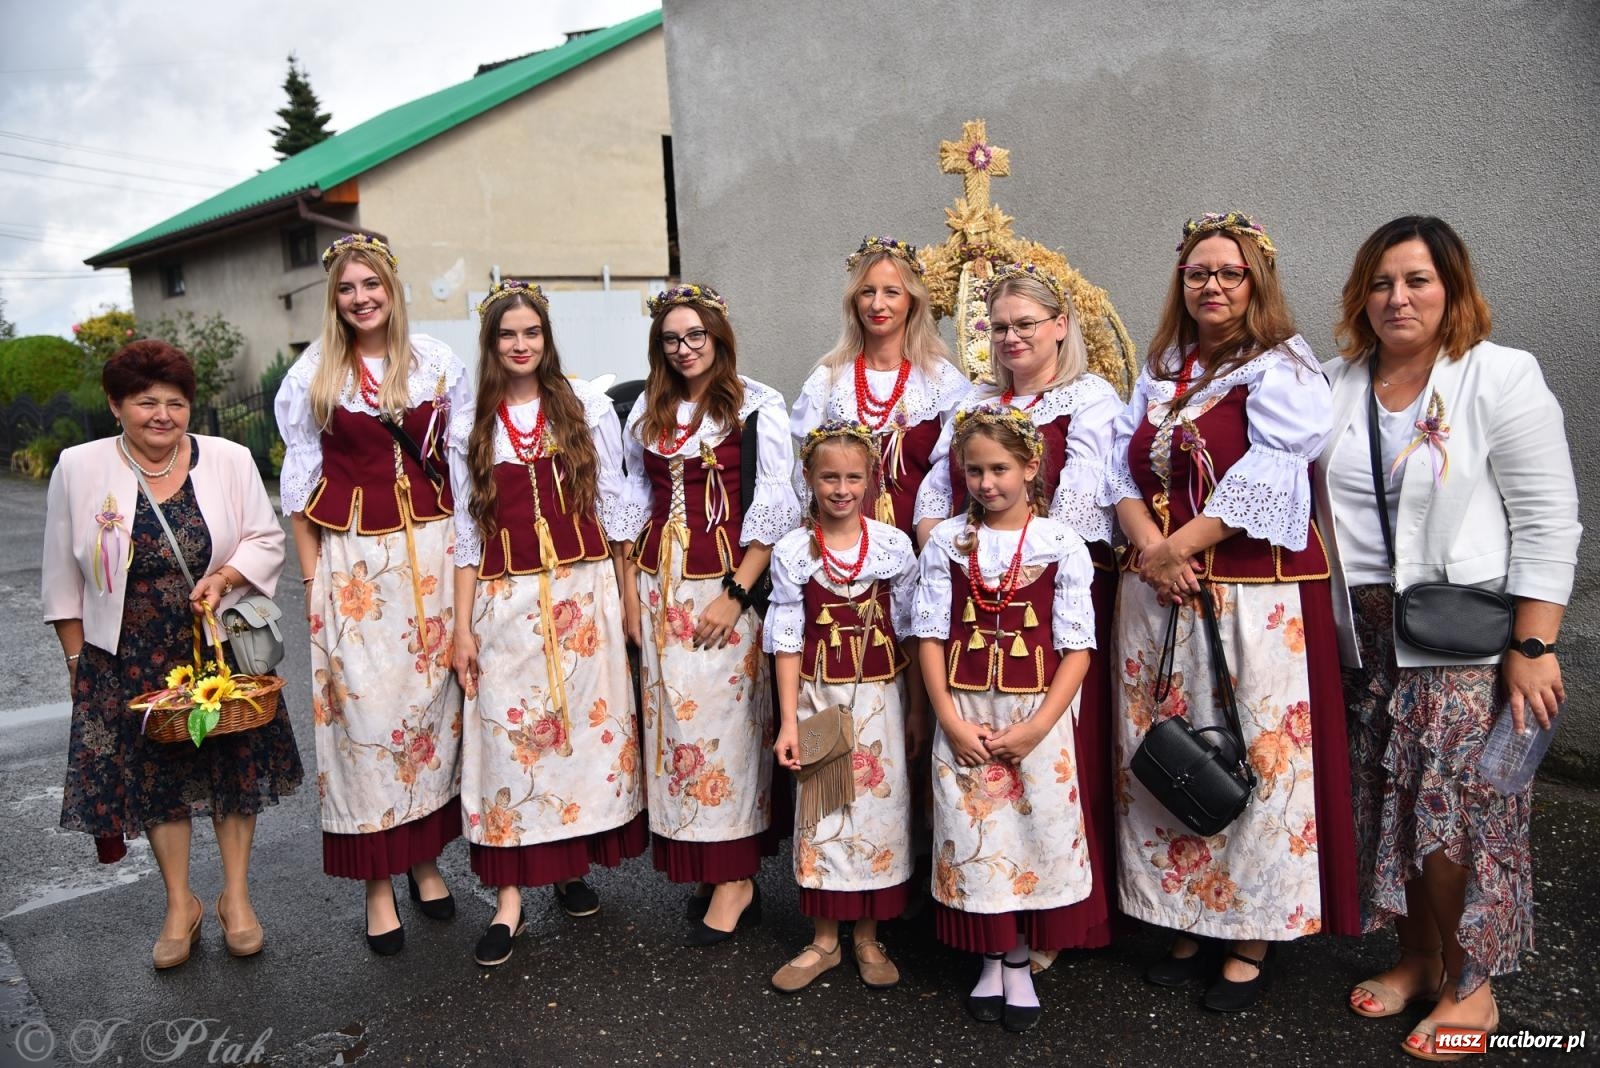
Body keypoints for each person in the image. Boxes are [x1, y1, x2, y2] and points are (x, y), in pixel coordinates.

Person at [1315, 216, 1579, 1060]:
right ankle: (1417, 959)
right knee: (1388, 809)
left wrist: (1533, 646)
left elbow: (1548, 519)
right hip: (1362, 633)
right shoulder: (1334, 381)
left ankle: (1474, 986)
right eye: (1383, 282)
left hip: (1460, 636)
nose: (1398, 297)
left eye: (1418, 280)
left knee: (1455, 813)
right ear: (1362, 294)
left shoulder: (1498, 377)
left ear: (1452, 289)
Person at [1105, 212, 1360, 1012]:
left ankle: (1250, 931)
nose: (1212, 285)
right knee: (1170, 752)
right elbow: (1115, 466)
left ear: (1257, 283)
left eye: (1230, 272)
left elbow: (1272, 471)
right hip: (1159, 594)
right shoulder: (1162, 368)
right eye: (1198, 273)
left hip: (1250, 597)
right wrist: (1151, 547)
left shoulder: (1281, 368)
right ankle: (1187, 918)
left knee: (1249, 756)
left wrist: (1176, 547)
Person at [43, 339, 302, 968]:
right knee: (157, 780)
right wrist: (80, 665)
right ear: (116, 405)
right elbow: (60, 577)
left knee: (232, 767)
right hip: (126, 652)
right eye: (145, 402)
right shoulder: (78, 468)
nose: (162, 415)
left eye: (176, 403)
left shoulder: (229, 458)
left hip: (214, 644)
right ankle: (180, 901)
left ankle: (236, 897)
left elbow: (266, 538)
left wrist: (229, 576)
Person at [914, 262, 1125, 957]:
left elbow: (1078, 509)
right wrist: (949, 556)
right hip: (969, 584)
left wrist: (1018, 562)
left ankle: (1053, 913)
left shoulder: (1089, 401)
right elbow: (934, 498)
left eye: (1025, 324)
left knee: (1051, 760)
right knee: (973, 753)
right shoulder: (971, 401)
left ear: (1060, 327)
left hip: (1049, 592)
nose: (1011, 338)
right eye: (998, 327)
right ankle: (988, 898)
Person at [274, 233, 472, 955]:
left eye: (371, 286)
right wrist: (309, 581)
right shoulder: (313, 376)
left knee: (427, 715)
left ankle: (424, 861)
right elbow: (299, 490)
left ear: (392, 289)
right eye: (348, 289)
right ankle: (377, 886)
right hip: (355, 569)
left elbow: (463, 470)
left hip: (432, 559)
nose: (361, 298)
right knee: (364, 718)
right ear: (336, 300)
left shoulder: (439, 365)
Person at [448, 280, 646, 967]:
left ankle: (569, 870)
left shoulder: (585, 404)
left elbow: (618, 503)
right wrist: (462, 626)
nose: (521, 344)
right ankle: (509, 904)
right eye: (508, 335)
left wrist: (625, 595)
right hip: (505, 601)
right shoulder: (469, 418)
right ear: (492, 344)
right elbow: (466, 532)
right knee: (511, 744)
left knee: (577, 739)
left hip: (582, 594)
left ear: (547, 337)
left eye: (531, 332)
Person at [614, 283, 802, 944]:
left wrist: (737, 591)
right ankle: (703, 862)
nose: (685, 348)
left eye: (696, 335)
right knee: (673, 729)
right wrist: (628, 592)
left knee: (725, 728)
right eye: (672, 339)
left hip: (724, 586)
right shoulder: (649, 407)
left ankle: (736, 877)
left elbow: (774, 512)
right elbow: (634, 499)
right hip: (661, 586)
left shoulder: (756, 405)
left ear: (718, 336)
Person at [913, 404, 1096, 1033]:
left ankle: (1019, 959)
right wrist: (949, 720)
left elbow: (1077, 648)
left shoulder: (1060, 541)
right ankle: (990, 958)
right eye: (974, 471)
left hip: (1036, 716)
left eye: (999, 469)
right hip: (965, 712)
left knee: (1034, 829)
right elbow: (931, 636)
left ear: (1030, 467)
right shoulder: (946, 542)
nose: (986, 483)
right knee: (975, 836)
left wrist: (1040, 726)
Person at [768, 421, 920, 993]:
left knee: (879, 814)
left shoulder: (891, 546)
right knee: (823, 813)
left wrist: (916, 714)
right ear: (808, 478)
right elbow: (786, 638)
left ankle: (869, 936)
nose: (841, 488)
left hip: (880, 699)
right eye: (829, 476)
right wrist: (788, 720)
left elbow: (910, 631)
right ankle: (824, 939)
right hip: (817, 699)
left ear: (870, 479)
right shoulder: (792, 551)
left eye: (853, 476)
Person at [790, 235, 970, 540]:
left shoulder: (940, 380)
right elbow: (805, 474)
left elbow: (953, 474)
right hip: (842, 551)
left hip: (919, 547)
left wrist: (932, 546)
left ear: (911, 300)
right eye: (867, 292)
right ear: (854, 301)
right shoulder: (829, 379)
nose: (877, 304)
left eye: (891, 292)